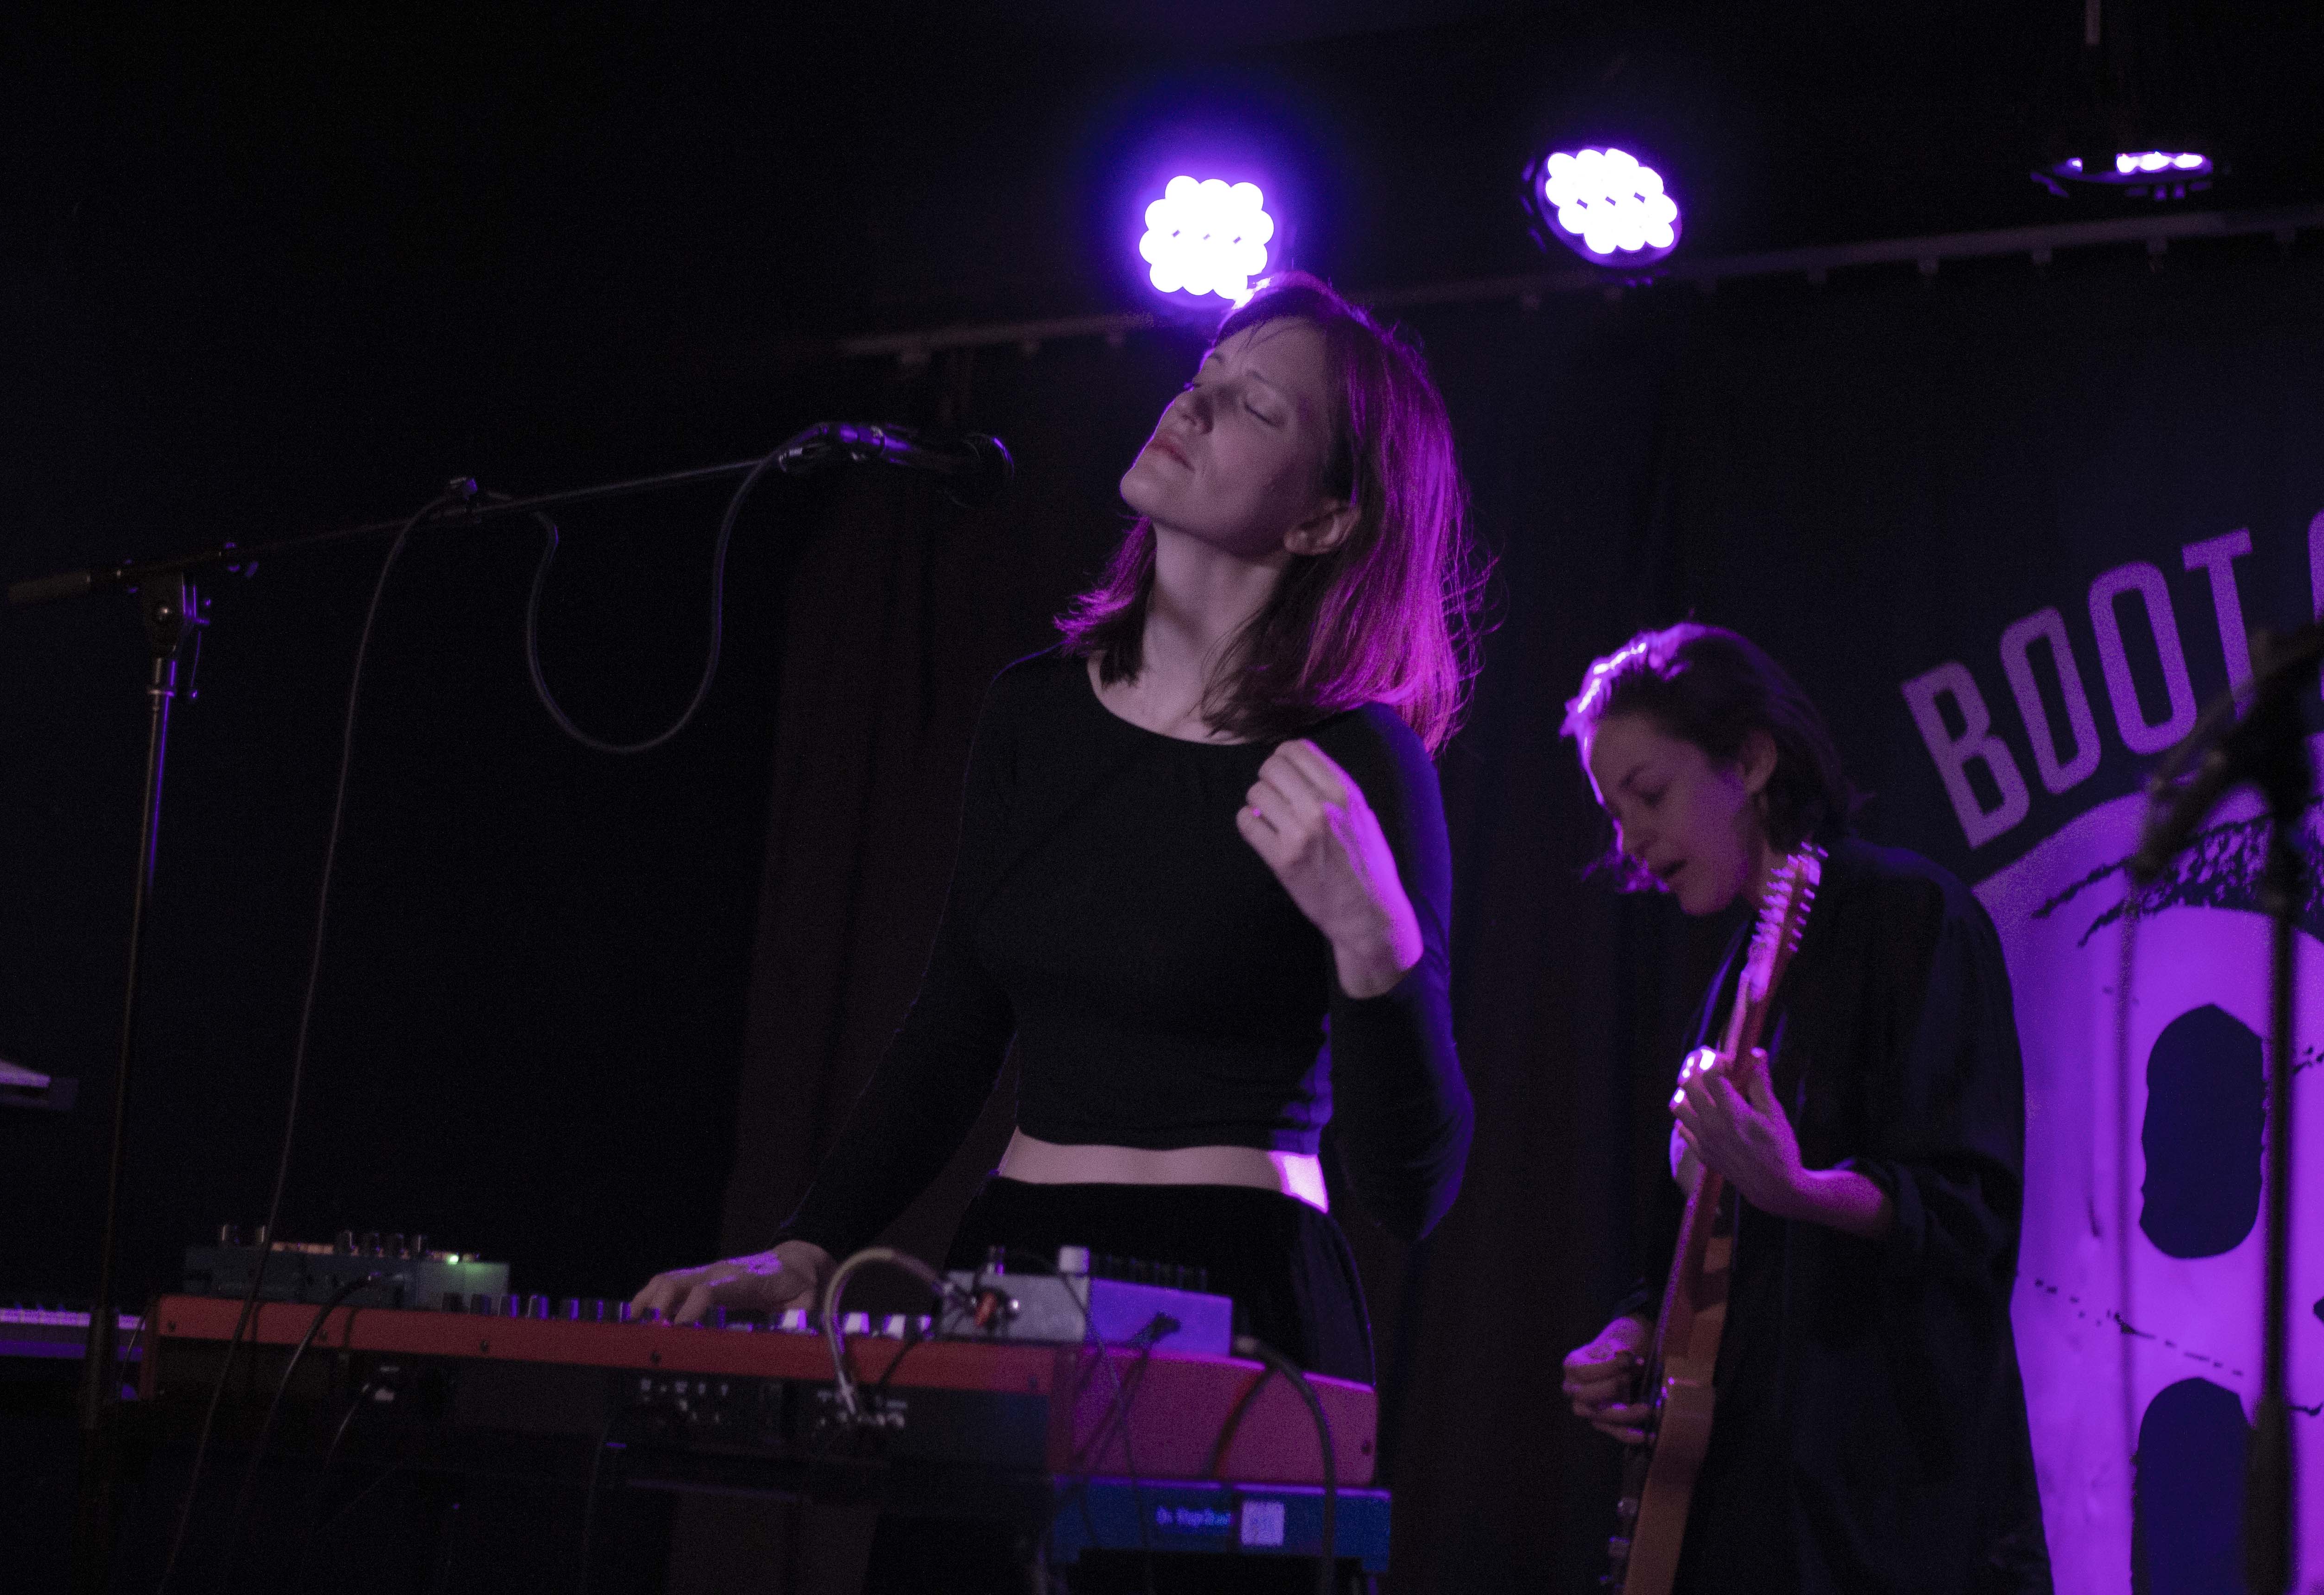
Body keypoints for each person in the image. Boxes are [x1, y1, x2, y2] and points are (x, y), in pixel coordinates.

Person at [632, 273, 1479, 1586]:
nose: (1192, 406)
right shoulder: (1033, 712)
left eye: (1253, 406)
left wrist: (1378, 944)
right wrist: (809, 1244)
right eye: (1202, 376)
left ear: (1325, 517)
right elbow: (955, 1022)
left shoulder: (1360, 757)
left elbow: (1413, 1188)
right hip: (1012, 1265)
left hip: (1244, 1291)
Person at [1555, 624, 2050, 1595]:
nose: (1630, 840)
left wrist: (1800, 1189)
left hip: (1885, 1510)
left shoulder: (1914, 916)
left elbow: (1970, 1212)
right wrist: (1631, 1338)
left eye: (1649, 795)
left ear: (1750, 759)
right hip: (1743, 1496)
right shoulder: (1732, 984)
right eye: (1613, 815)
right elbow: (1686, 1255)